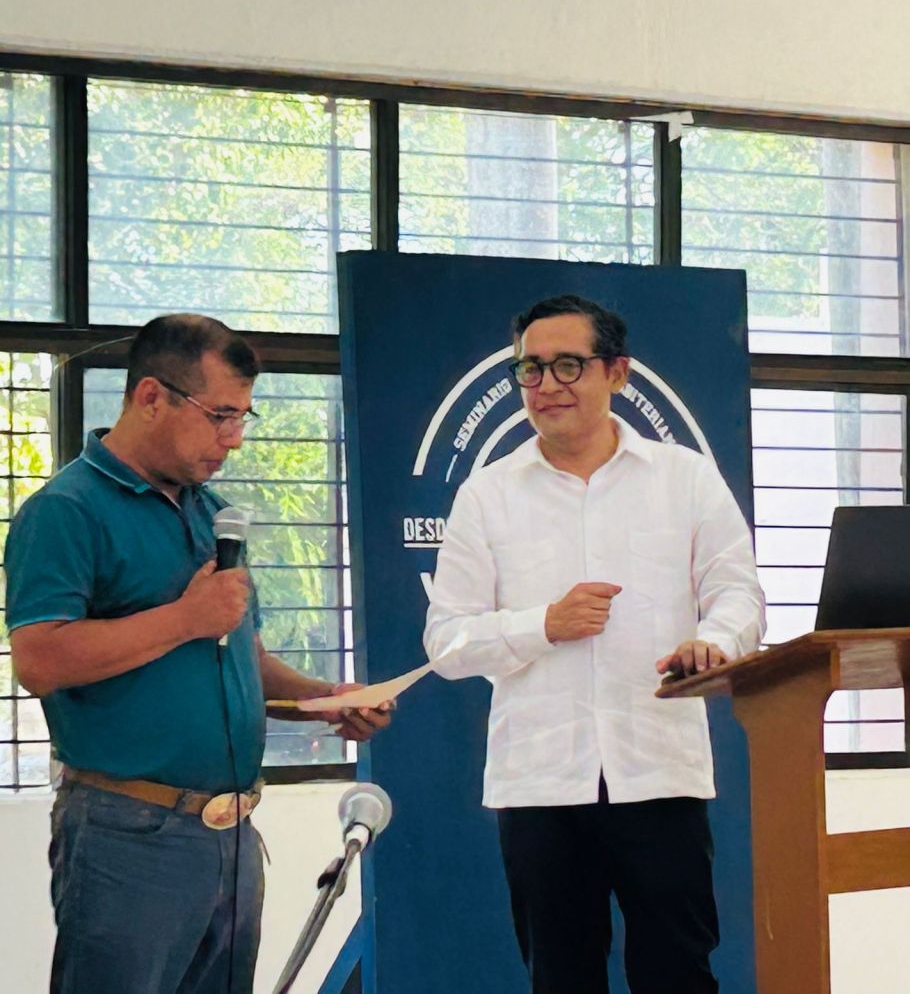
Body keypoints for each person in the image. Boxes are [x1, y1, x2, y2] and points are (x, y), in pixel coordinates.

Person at [5, 314, 393, 994]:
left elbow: (242, 661)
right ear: (151, 396)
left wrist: (327, 700)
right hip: (129, 833)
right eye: (219, 415)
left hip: (231, 833)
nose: (233, 438)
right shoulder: (67, 509)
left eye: (243, 417)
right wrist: (185, 618)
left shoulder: (211, 512)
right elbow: (39, 659)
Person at [424, 294, 765, 994]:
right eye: (531, 369)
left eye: (568, 365)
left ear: (618, 372)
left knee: (679, 973)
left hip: (658, 769)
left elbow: (739, 592)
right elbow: (446, 640)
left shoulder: (684, 477)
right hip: (541, 781)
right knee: (562, 978)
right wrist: (541, 624)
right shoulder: (487, 495)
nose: (546, 385)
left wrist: (714, 641)